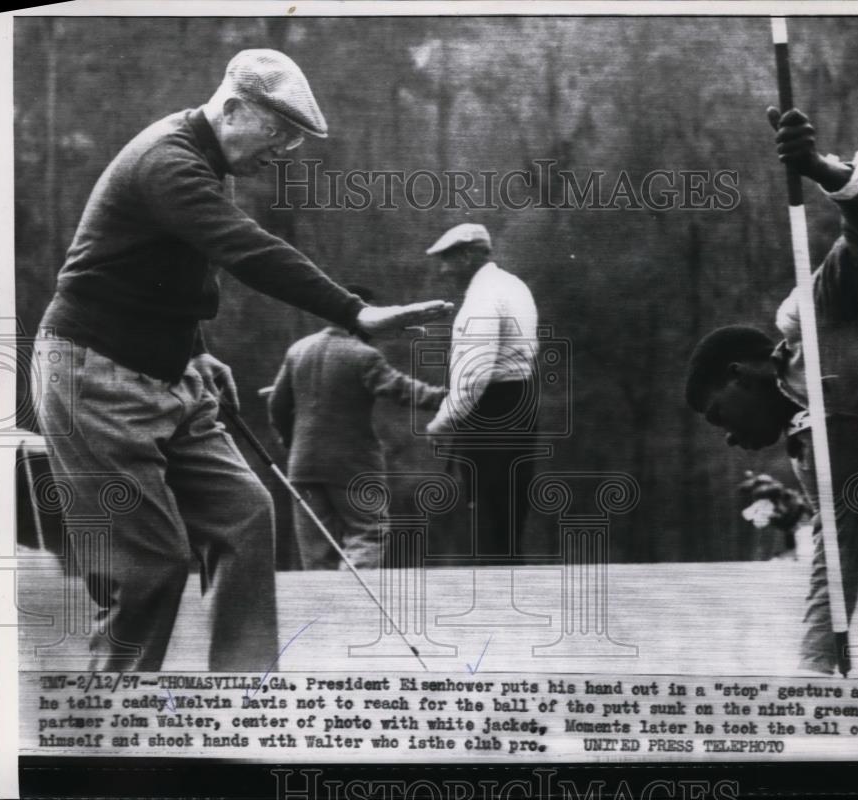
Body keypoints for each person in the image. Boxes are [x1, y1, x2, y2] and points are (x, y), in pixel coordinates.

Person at [33, 49, 451, 672]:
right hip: (93, 378)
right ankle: (106, 732)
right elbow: (245, 249)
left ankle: (243, 699)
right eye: (277, 131)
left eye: (293, 138)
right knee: (151, 565)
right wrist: (353, 312)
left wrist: (195, 351)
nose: (283, 150)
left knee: (246, 516)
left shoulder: (204, 161)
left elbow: (165, 272)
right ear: (231, 109)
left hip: (168, 378)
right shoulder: (166, 161)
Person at [684, 107, 858, 678]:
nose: (728, 439)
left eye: (720, 414)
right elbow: (835, 560)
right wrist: (815, 667)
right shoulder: (812, 456)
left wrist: (822, 169)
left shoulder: (808, 319)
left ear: (743, 373)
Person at [267, 286, 446, 571]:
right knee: (368, 532)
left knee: (315, 549)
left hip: (302, 465)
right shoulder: (363, 356)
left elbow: (277, 406)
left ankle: (324, 611)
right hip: (353, 463)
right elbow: (400, 389)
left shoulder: (298, 350)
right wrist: (445, 397)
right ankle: (354, 605)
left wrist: (292, 441)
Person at [424, 224, 539, 561]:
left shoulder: (483, 297)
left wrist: (442, 421)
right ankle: (507, 587)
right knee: (510, 506)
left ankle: (494, 597)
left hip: (492, 407)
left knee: (487, 508)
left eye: (447, 259)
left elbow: (475, 372)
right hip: (520, 399)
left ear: (467, 255)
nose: (443, 270)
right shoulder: (513, 286)